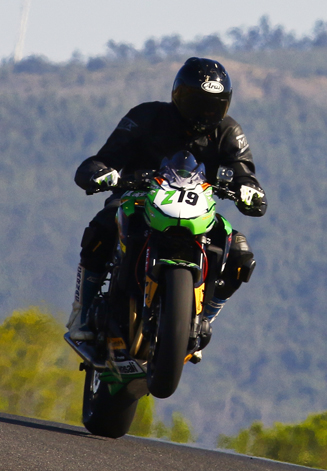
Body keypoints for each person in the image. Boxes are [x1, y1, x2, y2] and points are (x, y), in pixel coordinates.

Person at [67, 57, 267, 349]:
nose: (204, 112)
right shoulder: (145, 117)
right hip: (137, 198)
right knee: (104, 224)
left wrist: (249, 190)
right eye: (196, 102)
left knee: (239, 253)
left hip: (197, 209)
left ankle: (203, 319)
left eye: (213, 106)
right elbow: (104, 158)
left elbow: (244, 171)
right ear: (177, 95)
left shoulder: (228, 131)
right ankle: (82, 313)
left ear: (225, 105)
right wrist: (101, 173)